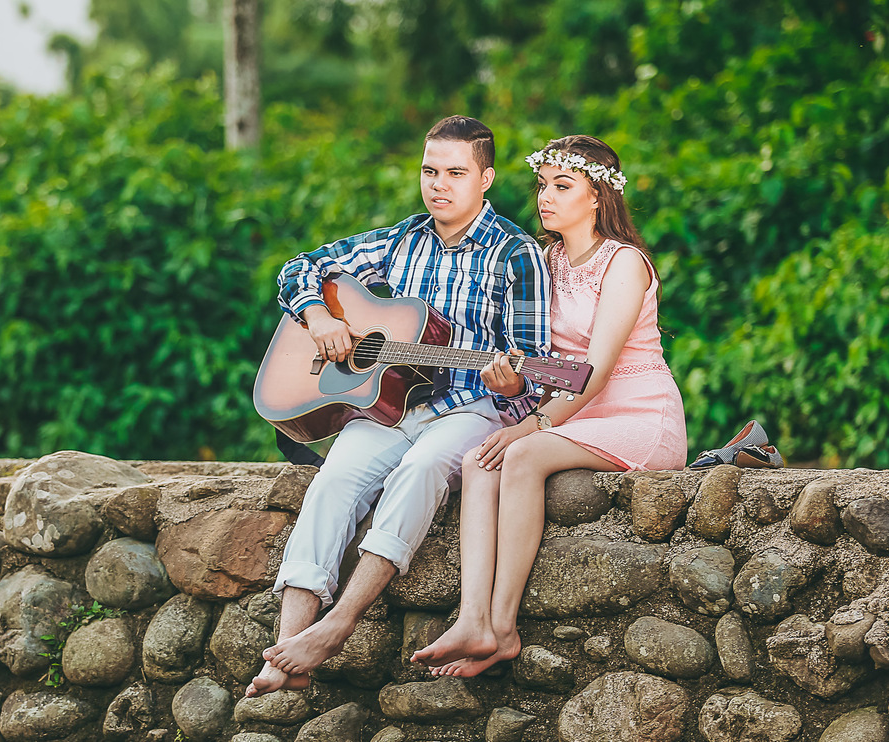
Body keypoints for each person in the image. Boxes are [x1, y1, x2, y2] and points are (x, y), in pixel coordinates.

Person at [246, 116, 551, 697]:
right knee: (332, 479)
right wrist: (321, 316)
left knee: (422, 469)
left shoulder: (516, 254)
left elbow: (534, 372)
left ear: (485, 178)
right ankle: (287, 650)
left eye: (456, 173)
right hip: (394, 406)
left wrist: (513, 381)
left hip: (474, 406)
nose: (439, 184)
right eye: (429, 171)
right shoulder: (403, 240)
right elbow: (299, 268)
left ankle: (338, 625)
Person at [411, 134, 687, 677]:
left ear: (599, 197)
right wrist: (512, 383)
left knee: (520, 456)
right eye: (542, 185)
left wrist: (530, 427)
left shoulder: (624, 263)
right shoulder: (544, 260)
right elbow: (539, 359)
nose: (546, 197)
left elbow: (595, 370)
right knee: (476, 461)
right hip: (571, 408)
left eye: (563, 186)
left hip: (635, 412)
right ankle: (473, 619)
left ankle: (504, 627)